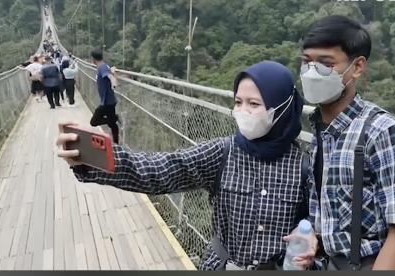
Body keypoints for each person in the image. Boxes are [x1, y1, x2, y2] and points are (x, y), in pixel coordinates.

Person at [56, 61, 310, 270]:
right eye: (238, 102)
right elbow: (163, 169)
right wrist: (94, 158)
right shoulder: (224, 152)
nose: (242, 111)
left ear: (283, 107)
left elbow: (319, 228)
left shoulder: (305, 166)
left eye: (254, 104)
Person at [290, 15, 395, 270]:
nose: (311, 72)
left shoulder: (385, 133)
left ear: (358, 67)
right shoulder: (323, 132)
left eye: (326, 64)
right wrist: (312, 237)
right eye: (307, 62)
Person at [88, 49, 120, 144]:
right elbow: (111, 74)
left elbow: (110, 77)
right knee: (112, 124)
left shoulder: (103, 68)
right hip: (109, 101)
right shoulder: (104, 66)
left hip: (107, 102)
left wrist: (113, 83)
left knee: (94, 122)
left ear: (93, 59)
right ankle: (116, 143)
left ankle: (115, 118)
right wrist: (113, 74)